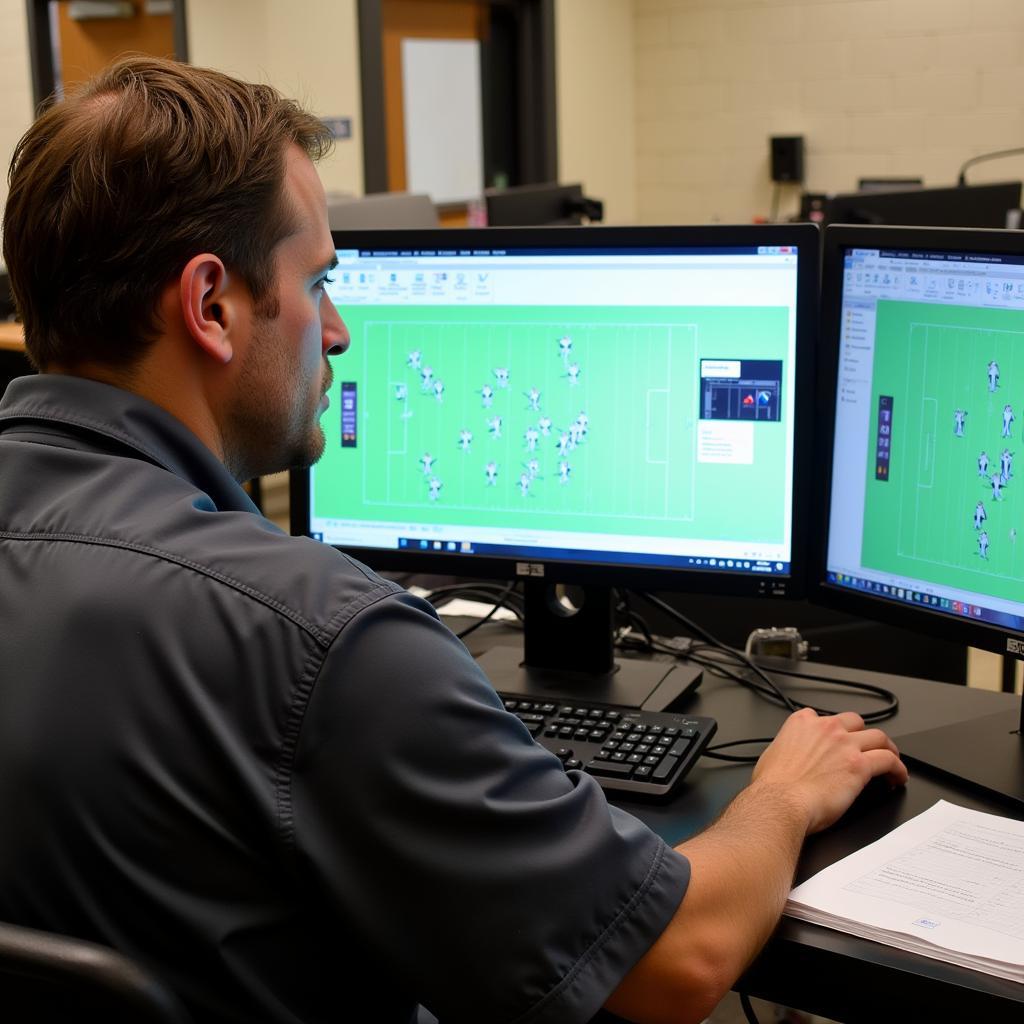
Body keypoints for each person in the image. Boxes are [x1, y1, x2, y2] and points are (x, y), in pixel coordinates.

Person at [0, 57, 907, 1024]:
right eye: (318, 282)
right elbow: (679, 961)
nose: (339, 331)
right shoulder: (315, 638)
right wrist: (783, 796)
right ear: (212, 305)